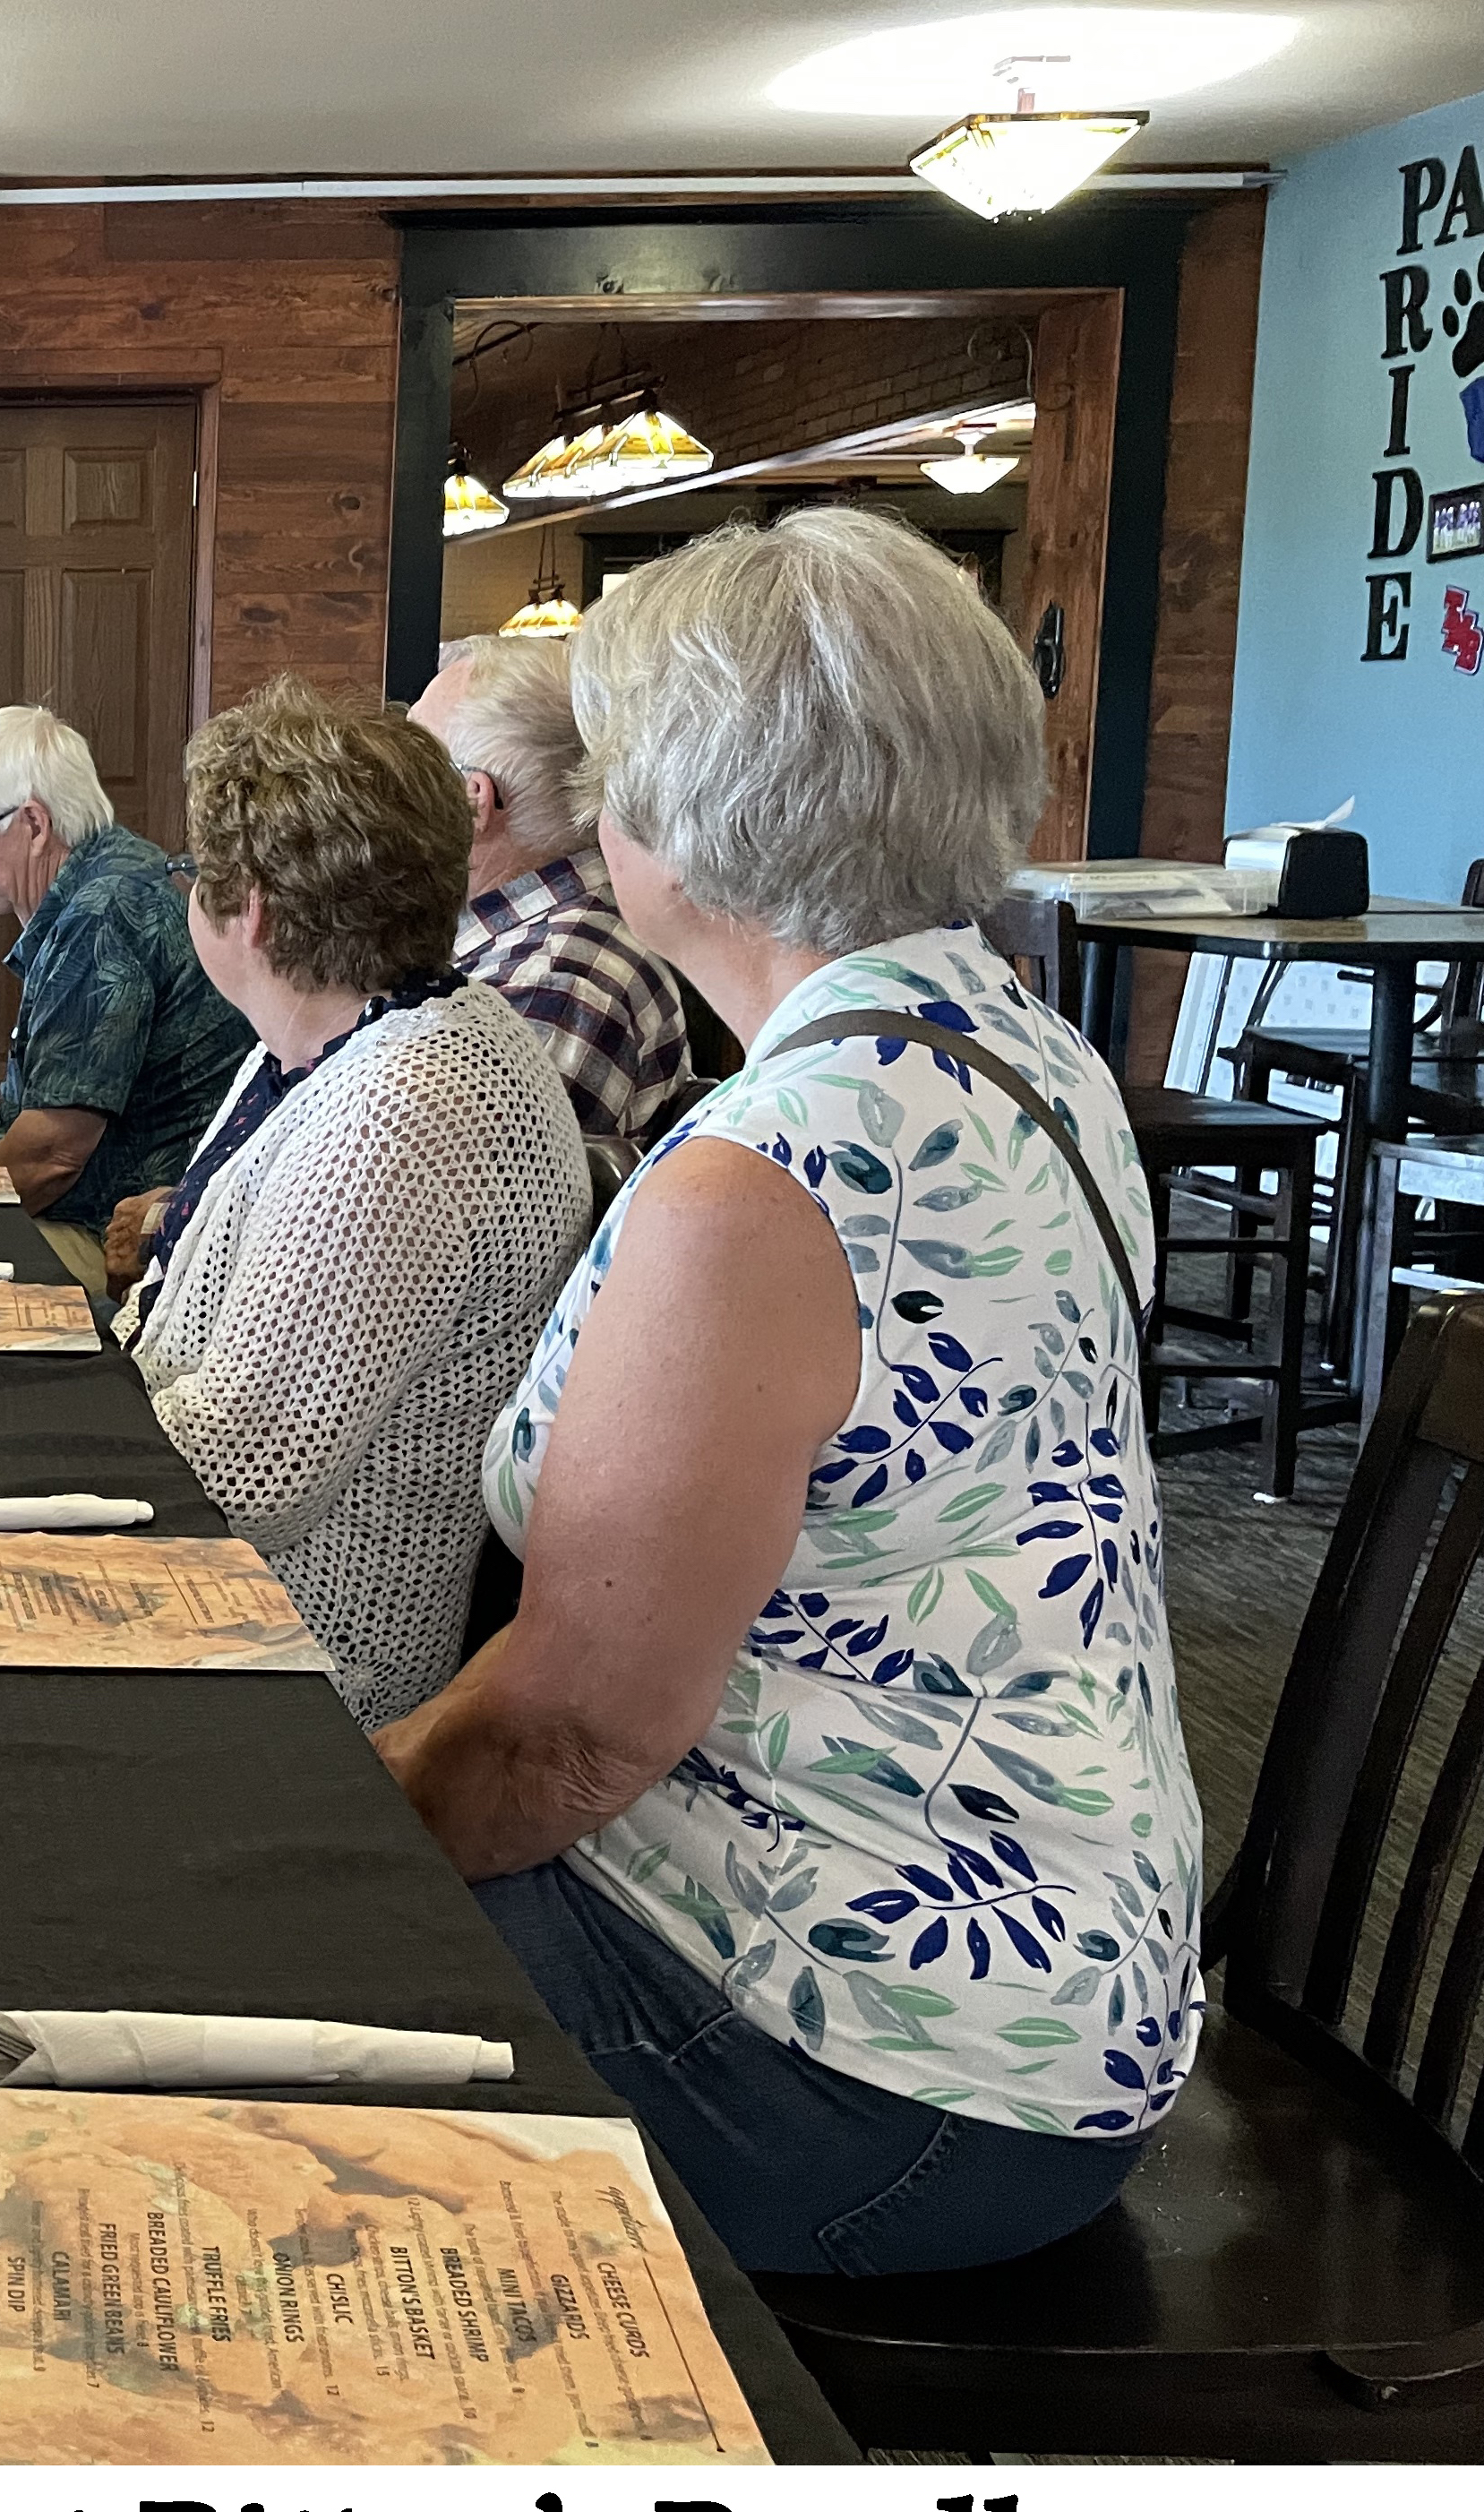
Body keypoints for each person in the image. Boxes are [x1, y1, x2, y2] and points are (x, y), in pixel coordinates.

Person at [377, 507, 1199, 2275]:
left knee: (217, 2005)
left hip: (872, 2064)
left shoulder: (769, 1172)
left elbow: (573, 1732)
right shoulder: (1022, 1044)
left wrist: (307, 1846)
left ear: (676, 821)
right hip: (1056, 1979)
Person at [126, 677, 588, 1726]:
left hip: (299, 1662)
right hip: (227, 1596)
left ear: (252, 911)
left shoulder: (403, 1112)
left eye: (195, 872)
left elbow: (247, 1472)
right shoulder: (343, 1034)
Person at [0, 701, 253, 1292]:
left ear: (32, 823)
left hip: (125, 1242)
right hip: (119, 1217)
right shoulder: (109, 871)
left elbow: (49, 1157)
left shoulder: (105, 913)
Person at [409, 632, 691, 1167]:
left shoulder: (558, 982)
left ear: (473, 803)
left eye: (411, 766)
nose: (387, 790)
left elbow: (432, 1217)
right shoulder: (524, 939)